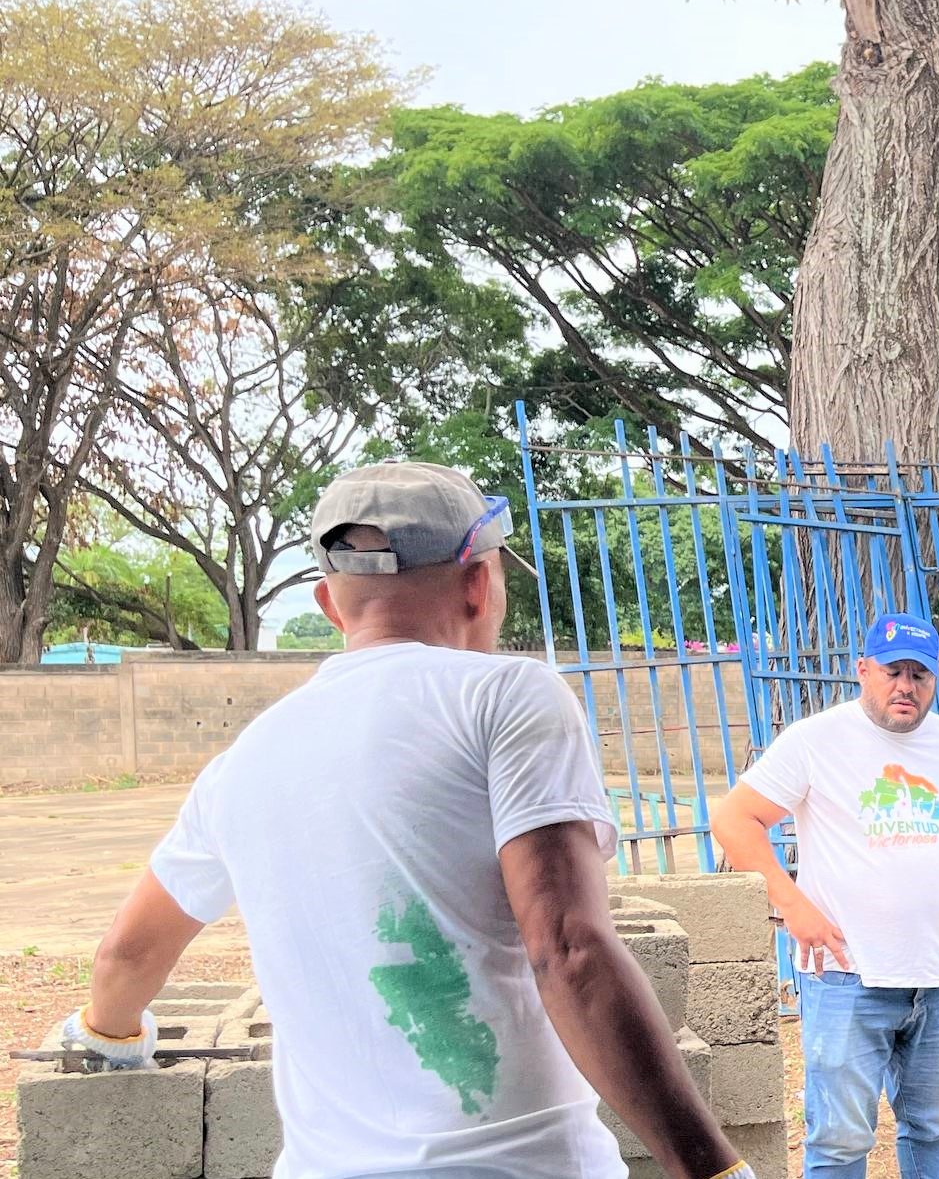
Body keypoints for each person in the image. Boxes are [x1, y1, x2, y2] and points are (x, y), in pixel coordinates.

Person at [59, 462, 743, 1178]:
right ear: (478, 585)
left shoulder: (243, 760)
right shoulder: (507, 698)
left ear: (331, 604)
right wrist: (714, 1170)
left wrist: (110, 1034)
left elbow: (127, 956)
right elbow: (568, 949)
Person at [711, 611, 939, 1179]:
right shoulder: (817, 740)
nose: (905, 686)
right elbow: (735, 819)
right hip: (845, 975)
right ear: (863, 670)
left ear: (934, 680)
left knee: (933, 1127)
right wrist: (792, 902)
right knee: (838, 1139)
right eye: (892, 671)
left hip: (938, 978)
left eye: (919, 675)